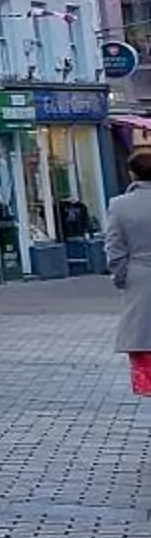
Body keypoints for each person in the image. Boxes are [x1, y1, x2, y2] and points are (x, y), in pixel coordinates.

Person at [106, 145, 151, 397]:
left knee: (146, 343)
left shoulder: (120, 206)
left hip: (140, 279)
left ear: (132, 174)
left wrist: (123, 277)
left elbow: (114, 248)